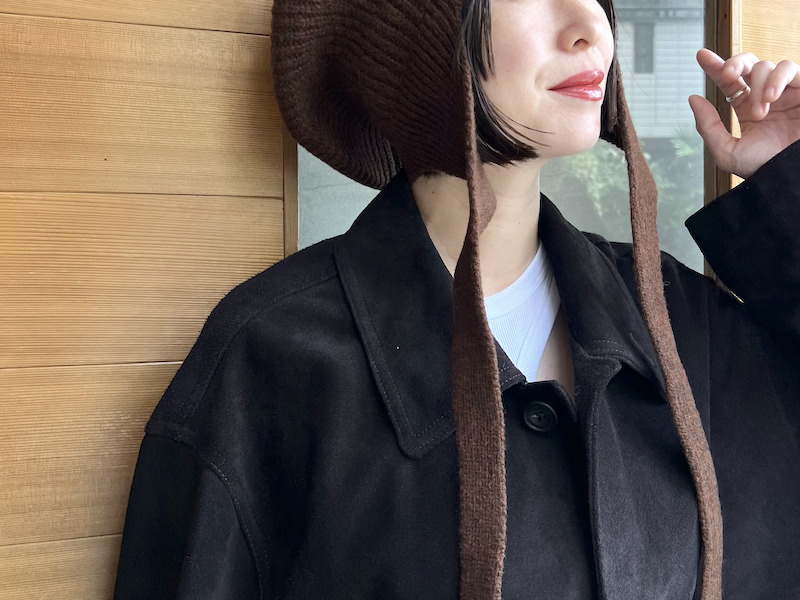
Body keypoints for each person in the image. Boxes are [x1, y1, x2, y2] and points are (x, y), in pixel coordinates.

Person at [113, 0, 800, 598]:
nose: (591, 25)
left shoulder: (677, 321)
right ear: (420, 31)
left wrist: (789, 184)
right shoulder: (272, 359)